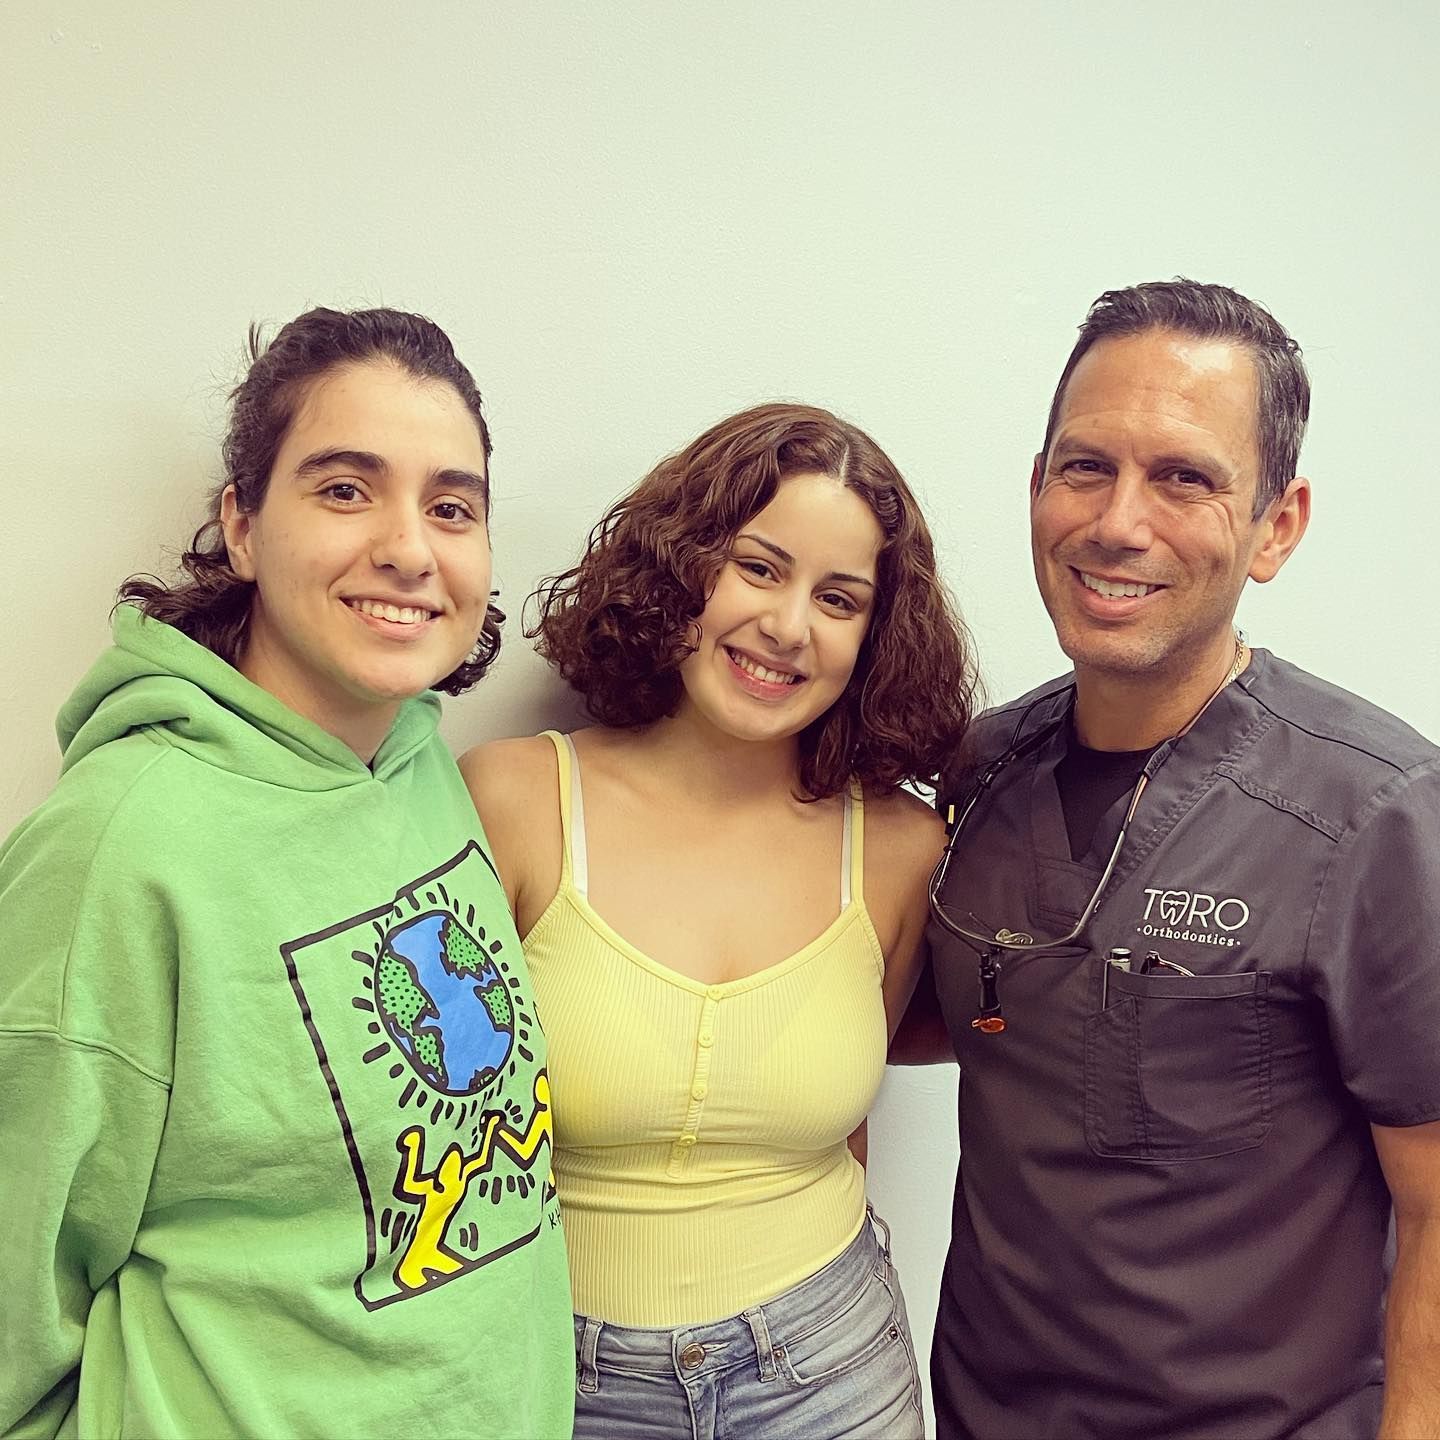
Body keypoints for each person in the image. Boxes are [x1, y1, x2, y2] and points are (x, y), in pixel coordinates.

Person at [0, 307, 573, 1438]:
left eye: (451, 506)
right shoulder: (119, 846)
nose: (411, 547)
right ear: (244, 525)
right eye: (346, 489)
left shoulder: (415, 757)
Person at [905, 279, 1440, 1439]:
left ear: (1277, 525)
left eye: (1185, 477)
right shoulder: (977, 775)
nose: (1117, 523)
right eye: (1084, 466)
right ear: (1037, 484)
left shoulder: (1380, 815)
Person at [462, 403, 977, 1439]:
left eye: (839, 598)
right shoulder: (511, 801)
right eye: (759, 567)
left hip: (829, 1370)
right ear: (682, 570)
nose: (789, 627)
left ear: (873, 637)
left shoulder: (899, 849)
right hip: (554, 1375)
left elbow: (854, 1116)